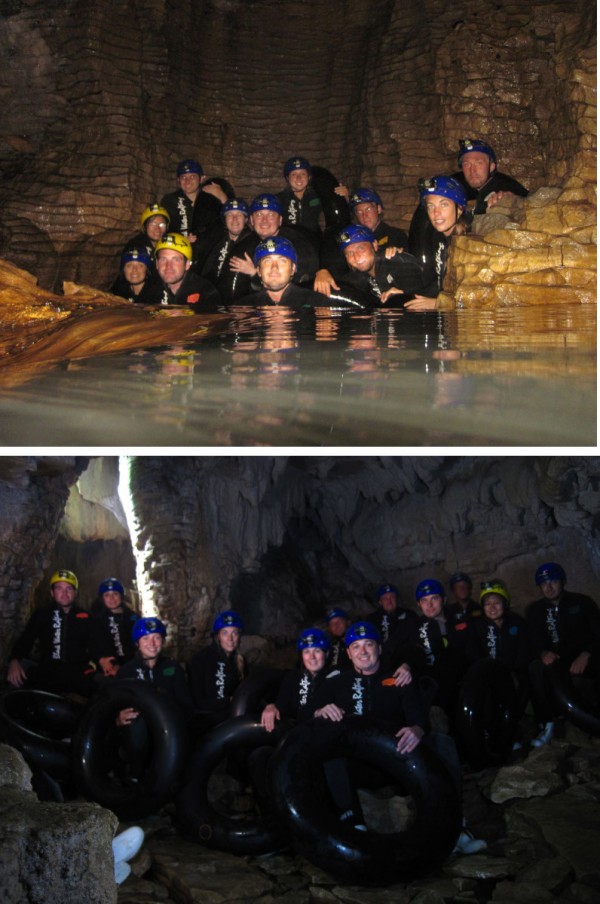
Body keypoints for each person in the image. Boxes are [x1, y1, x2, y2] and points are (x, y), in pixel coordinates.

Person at [313, 621, 486, 853]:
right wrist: (319, 712)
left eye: (369, 645)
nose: (363, 651)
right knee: (331, 758)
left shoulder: (399, 678)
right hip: (358, 766)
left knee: (443, 743)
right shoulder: (334, 684)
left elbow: (419, 718)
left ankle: (455, 828)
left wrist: (417, 729)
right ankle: (354, 829)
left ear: (379, 649)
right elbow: (308, 715)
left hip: (398, 760)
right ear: (348, 653)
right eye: (356, 647)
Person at [526, 562, 600, 747]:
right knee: (535, 670)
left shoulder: (582, 602)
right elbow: (532, 641)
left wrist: (586, 654)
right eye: (543, 584)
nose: (548, 587)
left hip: (584, 659)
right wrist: (542, 652)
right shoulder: (534, 610)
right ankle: (546, 725)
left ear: (563, 581)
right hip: (556, 664)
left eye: (553, 581)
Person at [115, 616, 195, 779]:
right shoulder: (126, 671)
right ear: (137, 643)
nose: (152, 643)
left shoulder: (172, 668)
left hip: (168, 731)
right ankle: (134, 775)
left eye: (157, 637)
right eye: (146, 638)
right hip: (137, 734)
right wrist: (117, 718)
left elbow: (185, 705)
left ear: (163, 641)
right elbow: (114, 705)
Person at [6, 569, 95, 697]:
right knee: (16, 680)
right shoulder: (42, 614)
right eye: (59, 588)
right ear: (52, 592)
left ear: (75, 592)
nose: (64, 593)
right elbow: (26, 639)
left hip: (77, 673)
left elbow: (98, 644)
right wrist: (14, 660)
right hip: (47, 671)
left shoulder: (86, 617)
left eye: (69, 589)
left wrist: (104, 661)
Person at [217, 194, 320, 301]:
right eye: (259, 215)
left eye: (271, 215)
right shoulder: (248, 243)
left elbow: (295, 288)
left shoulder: (297, 243)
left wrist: (254, 273)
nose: (264, 220)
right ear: (252, 220)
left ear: (280, 220)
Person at [465, 580, 531, 741]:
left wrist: (513, 672)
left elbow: (525, 652)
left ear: (505, 603)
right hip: (488, 676)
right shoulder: (477, 627)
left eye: (497, 602)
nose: (492, 607)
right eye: (487, 604)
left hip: (514, 674)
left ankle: (518, 732)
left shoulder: (517, 623)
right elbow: (473, 655)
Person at [404, 175, 469, 312]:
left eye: (444, 204)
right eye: (430, 206)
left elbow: (479, 299)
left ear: (459, 209)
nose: (436, 213)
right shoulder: (439, 239)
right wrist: (404, 291)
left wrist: (438, 304)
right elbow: (439, 284)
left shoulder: (470, 243)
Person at [261, 627, 332, 731]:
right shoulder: (292, 678)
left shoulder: (335, 678)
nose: (312, 657)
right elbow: (281, 707)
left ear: (326, 654)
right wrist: (271, 706)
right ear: (302, 656)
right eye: (307, 651)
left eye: (317, 650)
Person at [187, 610, 247, 732]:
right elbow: (197, 701)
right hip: (205, 724)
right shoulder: (200, 660)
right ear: (217, 636)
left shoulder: (240, 661)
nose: (230, 638)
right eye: (225, 633)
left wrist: (268, 705)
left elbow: (247, 690)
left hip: (231, 721)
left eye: (234, 633)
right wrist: (228, 701)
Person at [334, 225, 424, 305]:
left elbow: (419, 290)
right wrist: (323, 274)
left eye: (361, 248)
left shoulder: (396, 261)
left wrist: (403, 294)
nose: (356, 256)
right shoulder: (358, 275)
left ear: (375, 245)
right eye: (349, 253)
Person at [236, 236, 330, 307]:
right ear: (259, 270)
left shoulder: (317, 303)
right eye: (267, 261)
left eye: (282, 261)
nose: (274, 267)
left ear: (293, 269)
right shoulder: (243, 307)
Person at [160, 158, 225, 250]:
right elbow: (160, 231)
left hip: (205, 254)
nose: (187, 181)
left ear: (202, 179)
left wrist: (222, 197)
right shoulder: (170, 201)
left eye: (192, 176)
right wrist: (181, 241)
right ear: (178, 180)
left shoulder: (210, 199)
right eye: (183, 177)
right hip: (178, 252)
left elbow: (228, 222)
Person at [455, 138, 529, 217]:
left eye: (479, 163)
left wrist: (514, 201)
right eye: (467, 164)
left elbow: (529, 202)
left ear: (491, 167)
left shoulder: (508, 186)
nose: (472, 170)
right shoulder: (456, 185)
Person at [155, 232, 221, 310]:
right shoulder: (151, 290)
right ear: (157, 264)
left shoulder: (206, 293)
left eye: (176, 260)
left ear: (187, 264)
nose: (168, 266)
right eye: (163, 259)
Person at [89, 578, 138, 679]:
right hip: (108, 671)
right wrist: (100, 660)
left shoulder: (133, 618)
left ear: (121, 595)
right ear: (102, 598)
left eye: (115, 594)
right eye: (107, 595)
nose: (111, 598)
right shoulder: (96, 620)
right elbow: (92, 645)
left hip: (133, 668)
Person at [201, 198, 252, 285]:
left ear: (246, 219)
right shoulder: (216, 242)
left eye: (239, 215)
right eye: (230, 215)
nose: (234, 219)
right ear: (225, 219)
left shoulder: (252, 244)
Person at [277, 156, 323, 235]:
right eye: (294, 174)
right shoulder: (279, 199)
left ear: (309, 177)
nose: (299, 178)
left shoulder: (319, 196)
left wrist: (343, 198)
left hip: (314, 242)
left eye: (303, 174)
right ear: (288, 178)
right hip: (288, 243)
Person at [324, 607, 353, 671]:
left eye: (340, 621)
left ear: (348, 622)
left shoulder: (359, 641)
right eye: (332, 624)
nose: (336, 625)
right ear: (329, 629)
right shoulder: (328, 648)